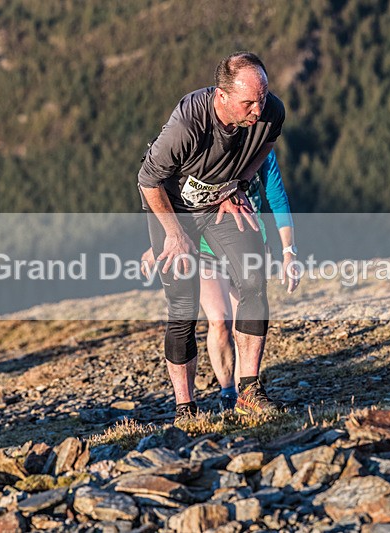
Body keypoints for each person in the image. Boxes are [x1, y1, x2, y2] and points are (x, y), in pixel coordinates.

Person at [137, 51, 287, 423]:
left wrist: (237, 185)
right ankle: (185, 409)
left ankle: (248, 390)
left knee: (253, 279)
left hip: (220, 203)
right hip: (171, 209)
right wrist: (173, 233)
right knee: (183, 307)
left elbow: (266, 145)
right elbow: (147, 180)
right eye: (248, 102)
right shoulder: (188, 124)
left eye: (263, 97)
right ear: (222, 97)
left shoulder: (271, 113)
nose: (258, 108)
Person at [142, 149, 299, 412]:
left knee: (246, 321)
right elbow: (175, 192)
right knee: (220, 320)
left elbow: (277, 199)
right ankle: (227, 392)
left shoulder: (262, 152)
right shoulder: (206, 146)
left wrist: (288, 251)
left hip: (248, 242)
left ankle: (245, 393)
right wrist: (159, 243)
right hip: (202, 246)